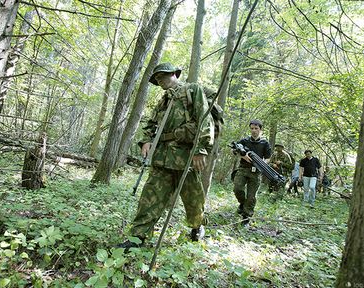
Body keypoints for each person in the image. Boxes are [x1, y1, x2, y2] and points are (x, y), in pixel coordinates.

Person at [117, 63, 214, 249]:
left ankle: (197, 227)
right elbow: (152, 124)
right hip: (162, 157)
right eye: (157, 79)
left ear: (174, 74)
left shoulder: (191, 90)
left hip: (186, 158)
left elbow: (204, 118)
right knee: (149, 198)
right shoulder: (163, 101)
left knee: (193, 200)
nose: (160, 81)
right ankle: (137, 238)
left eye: (163, 76)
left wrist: (200, 149)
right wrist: (146, 140)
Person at [232, 119, 272, 226]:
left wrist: (261, 163)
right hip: (243, 169)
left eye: (256, 128)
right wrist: (243, 156)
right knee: (237, 189)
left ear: (260, 129)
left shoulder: (265, 143)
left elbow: (268, 157)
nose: (254, 131)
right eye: (252, 128)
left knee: (251, 196)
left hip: (256, 172)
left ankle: (246, 217)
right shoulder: (245, 141)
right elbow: (234, 150)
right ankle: (242, 204)